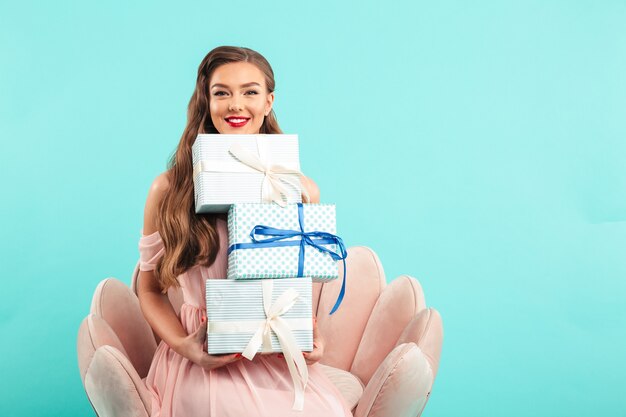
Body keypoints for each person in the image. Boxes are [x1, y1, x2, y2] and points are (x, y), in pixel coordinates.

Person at [137, 46, 351, 417]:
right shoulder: (168, 189)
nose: (236, 104)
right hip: (205, 354)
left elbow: (297, 290)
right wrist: (185, 346)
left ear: (269, 102)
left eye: (250, 92)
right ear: (206, 101)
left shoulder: (300, 190)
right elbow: (149, 288)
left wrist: (312, 338)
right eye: (222, 92)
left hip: (274, 350)